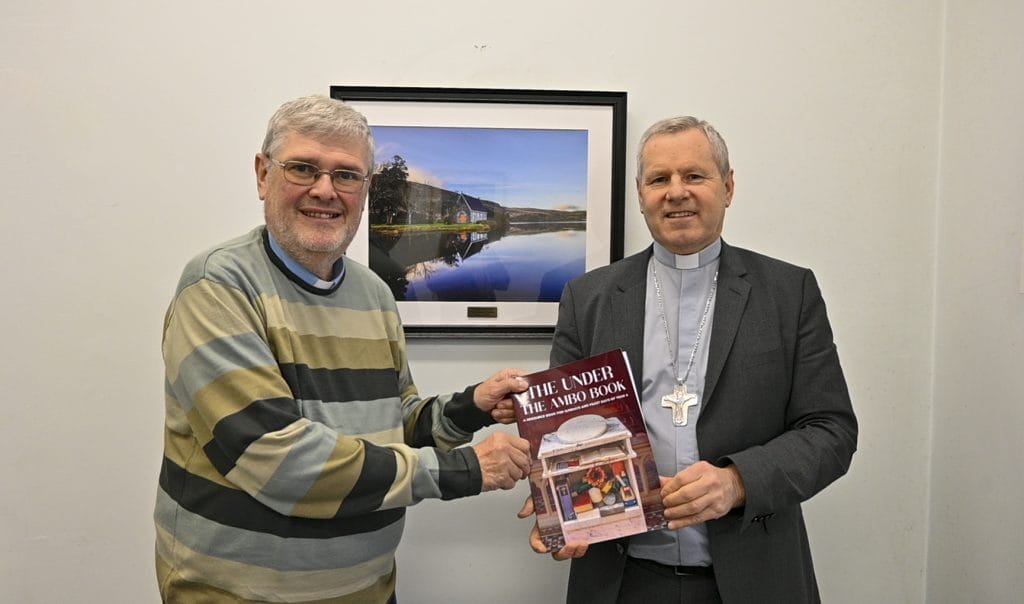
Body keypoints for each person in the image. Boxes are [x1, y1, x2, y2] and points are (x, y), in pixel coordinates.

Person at [154, 95, 532, 603]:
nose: (325, 190)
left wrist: (471, 407)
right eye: (303, 168)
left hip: (369, 590)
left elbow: (396, 424)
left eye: (347, 175)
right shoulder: (218, 286)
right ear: (263, 175)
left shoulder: (374, 293)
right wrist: (464, 469)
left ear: (365, 189)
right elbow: (277, 459)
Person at [519, 116, 858, 603]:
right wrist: (557, 504)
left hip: (753, 577)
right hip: (621, 580)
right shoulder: (587, 298)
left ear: (728, 187)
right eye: (659, 179)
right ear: (641, 195)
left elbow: (831, 430)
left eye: (694, 175)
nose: (676, 192)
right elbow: (564, 434)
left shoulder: (789, 293)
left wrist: (737, 482)